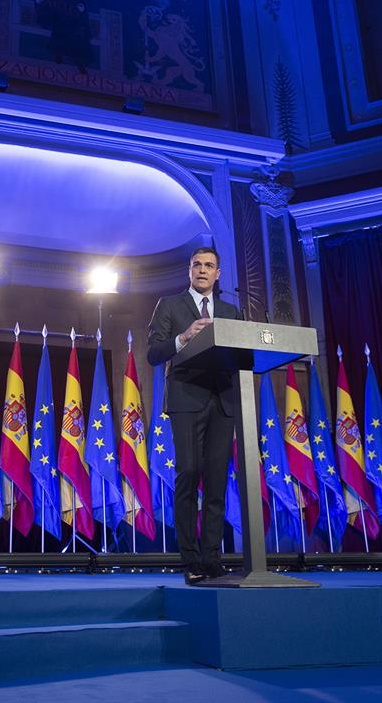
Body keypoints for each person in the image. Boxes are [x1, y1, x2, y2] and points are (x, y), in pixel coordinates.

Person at [146, 246, 240, 585]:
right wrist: (182, 338)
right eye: (197, 264)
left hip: (224, 401)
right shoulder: (170, 305)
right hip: (186, 399)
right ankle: (189, 557)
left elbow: (244, 352)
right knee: (189, 471)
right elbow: (153, 352)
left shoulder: (232, 311)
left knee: (216, 479)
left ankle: (212, 558)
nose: (202, 270)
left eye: (209, 265)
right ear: (189, 271)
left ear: (218, 274)